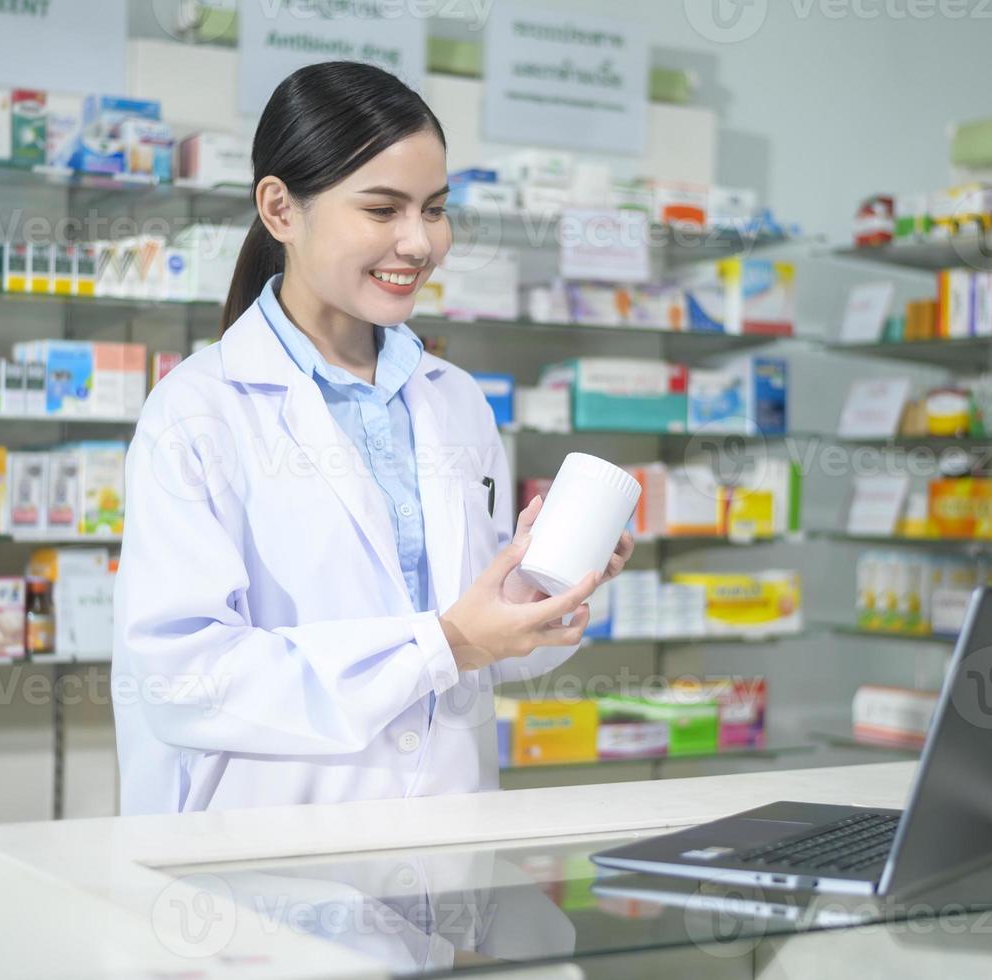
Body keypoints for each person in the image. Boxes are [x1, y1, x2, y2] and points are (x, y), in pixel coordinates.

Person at [112, 62, 635, 815]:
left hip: (444, 831)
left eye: (434, 209)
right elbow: (181, 682)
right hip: (269, 855)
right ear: (280, 210)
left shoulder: (453, 402)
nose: (419, 243)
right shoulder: (197, 411)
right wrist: (445, 644)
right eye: (383, 209)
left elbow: (483, 651)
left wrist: (541, 583)